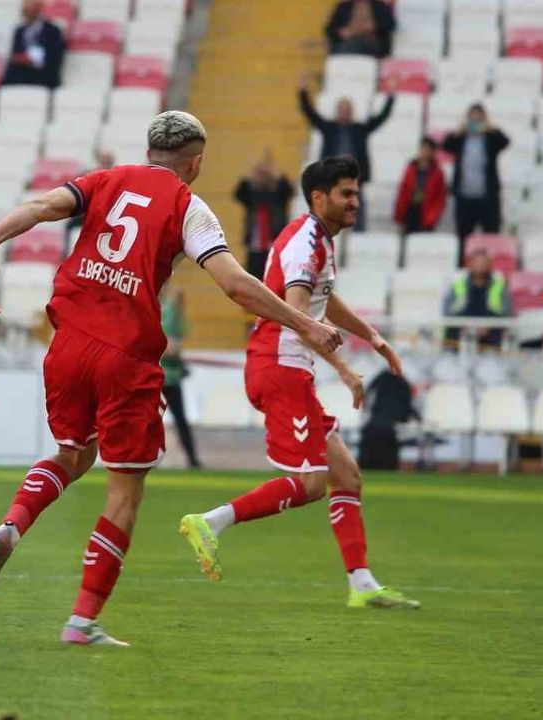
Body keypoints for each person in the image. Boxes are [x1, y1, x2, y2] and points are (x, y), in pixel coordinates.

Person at [0, 111, 343, 647]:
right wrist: (306, 321)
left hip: (68, 342)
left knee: (73, 452)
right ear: (196, 162)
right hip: (125, 355)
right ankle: (82, 622)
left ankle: (11, 526)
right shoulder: (189, 206)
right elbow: (234, 283)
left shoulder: (107, 180)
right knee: (124, 493)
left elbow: (43, 206)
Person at [179, 156, 420, 611]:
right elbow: (300, 316)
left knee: (345, 475)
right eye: (346, 193)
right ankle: (210, 521)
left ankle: (363, 584)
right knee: (311, 483)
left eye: (356, 192)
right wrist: (345, 370)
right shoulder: (305, 244)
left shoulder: (318, 243)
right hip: (280, 366)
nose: (355, 201)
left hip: (289, 367)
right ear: (319, 197)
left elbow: (323, 301)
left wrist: (370, 337)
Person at [298, 73, 396, 231]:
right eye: (342, 110)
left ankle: (358, 238)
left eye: (347, 110)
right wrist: (302, 92)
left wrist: (391, 96)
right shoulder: (328, 128)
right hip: (331, 179)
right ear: (337, 111)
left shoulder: (359, 129)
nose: (345, 113)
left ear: (352, 111)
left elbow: (380, 118)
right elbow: (310, 114)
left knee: (358, 208)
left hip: (355, 179)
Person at [441, 104, 510, 267]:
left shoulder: (490, 138)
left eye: (479, 117)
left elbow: (505, 142)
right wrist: (459, 131)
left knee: (491, 236)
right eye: (473, 117)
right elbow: (445, 146)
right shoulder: (461, 138)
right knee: (463, 236)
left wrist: (490, 129)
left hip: (487, 197)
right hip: (465, 197)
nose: (476, 121)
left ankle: (490, 268)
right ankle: (463, 268)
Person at [233, 149, 293, 281]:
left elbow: (288, 190)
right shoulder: (252, 195)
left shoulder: (278, 196)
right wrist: (251, 174)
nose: (263, 177)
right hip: (255, 246)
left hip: (274, 244)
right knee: (253, 280)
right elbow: (239, 193)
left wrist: (275, 173)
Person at [161, 286, 201, 469]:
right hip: (165, 378)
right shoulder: (171, 313)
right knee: (178, 420)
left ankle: (145, 459)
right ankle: (192, 459)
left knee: (152, 421)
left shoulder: (172, 313)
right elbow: (170, 347)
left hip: (166, 377)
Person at [442, 249, 512, 350]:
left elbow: (508, 313)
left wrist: (488, 327)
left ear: (490, 265)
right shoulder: (458, 285)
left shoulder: (500, 286)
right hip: (461, 331)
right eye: (477, 262)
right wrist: (465, 327)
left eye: (484, 262)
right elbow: (447, 312)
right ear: (470, 264)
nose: (480, 265)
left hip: (491, 333)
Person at [1, 0, 66, 88]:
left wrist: (34, 59)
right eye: (25, 6)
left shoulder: (53, 30)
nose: (26, 10)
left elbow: (55, 59)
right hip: (22, 73)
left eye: (30, 6)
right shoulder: (19, 31)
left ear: (39, 8)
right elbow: (15, 55)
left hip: (43, 74)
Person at [394, 136, 447, 235]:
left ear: (432, 152)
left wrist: (432, 218)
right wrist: (399, 216)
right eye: (422, 149)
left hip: (426, 214)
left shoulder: (437, 173)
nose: (424, 152)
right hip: (410, 212)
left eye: (427, 150)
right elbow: (403, 192)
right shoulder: (410, 168)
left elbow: (440, 198)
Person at [325, 0, 397, 58]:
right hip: (348, 40)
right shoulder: (343, 7)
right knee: (352, 45)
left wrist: (374, 26)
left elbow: (390, 25)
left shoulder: (379, 6)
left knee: (355, 45)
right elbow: (329, 28)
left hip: (372, 42)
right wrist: (341, 32)